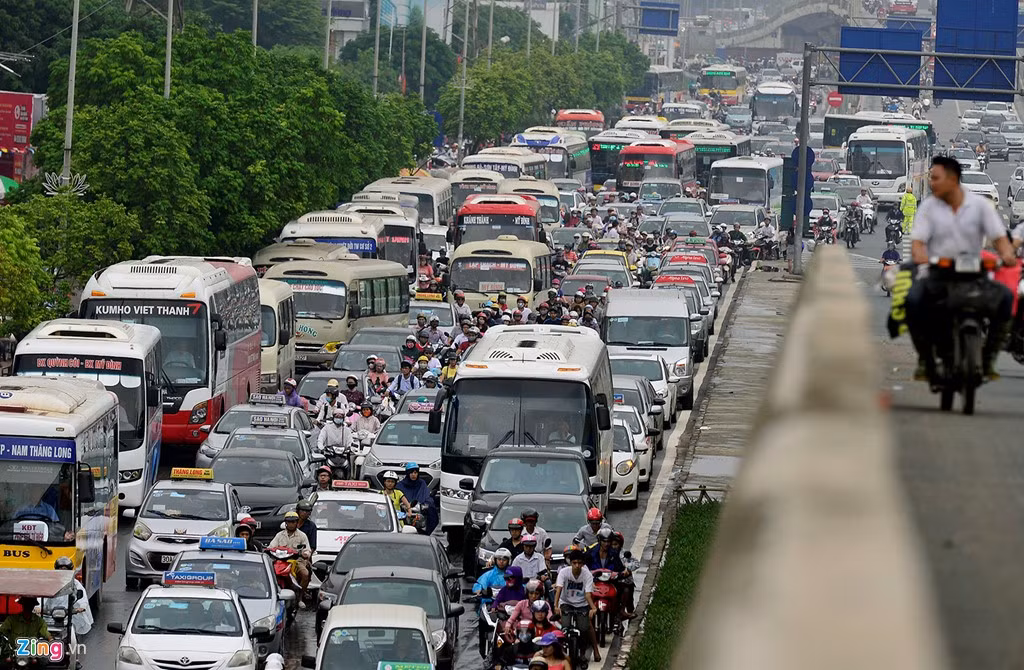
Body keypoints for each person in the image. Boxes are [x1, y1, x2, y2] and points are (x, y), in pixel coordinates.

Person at [906, 155, 1016, 381]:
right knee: (913, 301)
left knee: (1005, 298)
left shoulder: (980, 207)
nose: (931, 183)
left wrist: (1006, 254)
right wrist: (921, 258)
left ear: (953, 179)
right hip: (938, 274)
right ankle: (926, 360)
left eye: (936, 178)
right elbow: (918, 243)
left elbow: (999, 239)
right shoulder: (928, 207)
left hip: (974, 275)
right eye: (931, 178)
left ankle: (988, 358)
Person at [554, 549, 600, 662]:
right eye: (574, 563)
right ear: (570, 562)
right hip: (566, 603)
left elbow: (588, 594)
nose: (577, 566)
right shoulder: (564, 572)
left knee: (584, 628)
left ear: (583, 564)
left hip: (582, 604)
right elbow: (558, 589)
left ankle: (584, 652)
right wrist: (556, 606)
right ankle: (562, 651)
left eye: (580, 563)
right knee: (564, 627)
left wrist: (593, 608)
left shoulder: (587, 575)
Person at [269, 511, 312, 606]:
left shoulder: (302, 535)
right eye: (289, 522)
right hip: (281, 562)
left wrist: (305, 554)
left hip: (297, 562)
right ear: (285, 523)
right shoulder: (279, 535)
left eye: (293, 522)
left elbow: (307, 550)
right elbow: (271, 546)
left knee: (305, 574)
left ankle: (300, 597)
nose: (291, 524)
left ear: (297, 523)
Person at [397, 463, 438, 534]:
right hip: (405, 511)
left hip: (420, 510)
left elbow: (426, 496)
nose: (413, 475)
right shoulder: (400, 485)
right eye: (411, 473)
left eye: (415, 472)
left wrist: (426, 503)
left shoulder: (421, 483)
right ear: (407, 473)